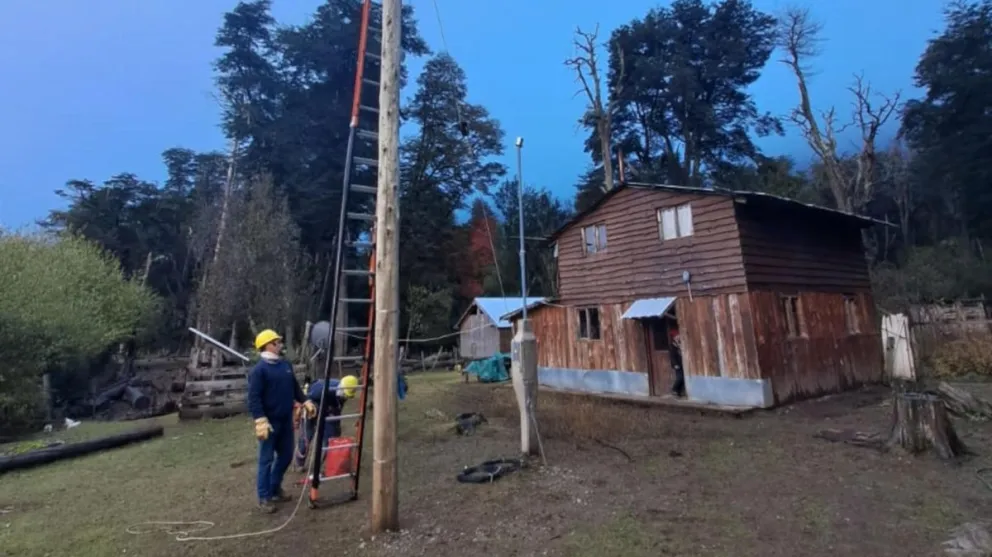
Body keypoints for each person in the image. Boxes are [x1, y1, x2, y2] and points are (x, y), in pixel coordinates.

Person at [247, 329, 316, 514]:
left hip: (285, 420)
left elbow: (295, 388)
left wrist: (306, 400)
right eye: (277, 342)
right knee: (266, 460)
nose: (280, 344)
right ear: (268, 345)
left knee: (285, 456)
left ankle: (275, 488)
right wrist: (260, 420)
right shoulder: (259, 371)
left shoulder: (285, 365)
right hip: (269, 423)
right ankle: (264, 497)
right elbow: (253, 398)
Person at [295, 374, 360, 471]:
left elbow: (338, 408)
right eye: (345, 395)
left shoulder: (343, 394)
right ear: (341, 388)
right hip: (312, 407)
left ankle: (321, 465)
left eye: (347, 396)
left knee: (331, 438)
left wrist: (336, 426)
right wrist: (308, 406)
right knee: (307, 436)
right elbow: (305, 397)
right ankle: (299, 463)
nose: (345, 397)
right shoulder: (322, 389)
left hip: (329, 410)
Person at [669, 326, 686, 398]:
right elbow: (672, 356)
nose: (678, 337)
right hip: (677, 364)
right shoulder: (673, 345)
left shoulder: (681, 344)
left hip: (682, 364)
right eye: (676, 336)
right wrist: (675, 364)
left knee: (683, 378)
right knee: (680, 377)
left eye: (678, 336)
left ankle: (678, 393)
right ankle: (674, 390)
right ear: (674, 338)